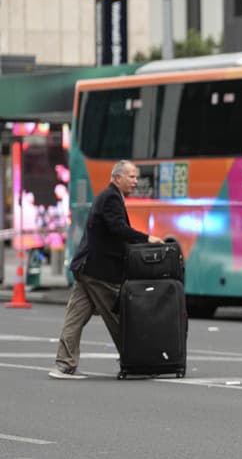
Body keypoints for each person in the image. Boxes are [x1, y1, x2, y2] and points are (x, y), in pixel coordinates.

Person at [48, 160, 163, 380]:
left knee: (75, 317)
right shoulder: (111, 197)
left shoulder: (109, 196)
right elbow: (118, 229)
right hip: (98, 271)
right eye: (132, 177)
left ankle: (64, 365)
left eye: (136, 177)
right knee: (119, 317)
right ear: (117, 177)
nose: (136, 181)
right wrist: (147, 239)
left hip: (86, 267)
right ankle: (135, 363)